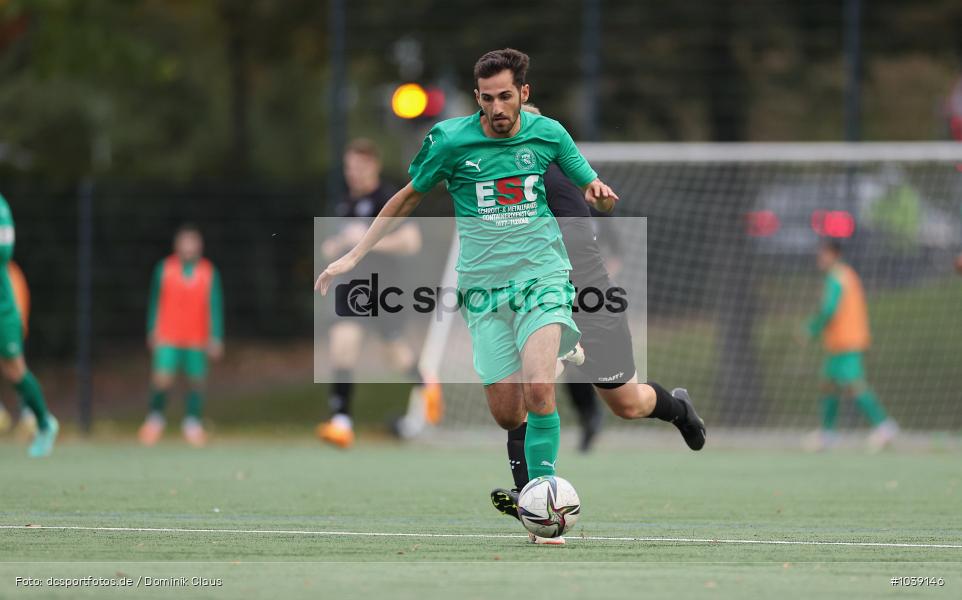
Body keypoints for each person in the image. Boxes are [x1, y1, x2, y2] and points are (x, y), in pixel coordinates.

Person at [318, 48, 658, 544]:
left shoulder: (549, 134)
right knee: (506, 410)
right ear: (476, 98)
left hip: (542, 275)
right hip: (482, 291)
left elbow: (588, 185)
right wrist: (354, 255)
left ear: (523, 93)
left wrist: (599, 195)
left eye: (505, 96)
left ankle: (543, 507)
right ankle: (566, 354)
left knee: (540, 390)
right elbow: (406, 197)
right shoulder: (451, 141)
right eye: (487, 98)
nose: (497, 108)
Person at [490, 104, 706, 529]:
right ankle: (530, 493)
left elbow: (573, 232)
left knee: (627, 403)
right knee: (533, 385)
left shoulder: (554, 170)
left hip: (589, 295)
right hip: (541, 296)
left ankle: (679, 408)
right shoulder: (496, 178)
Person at [315, 138, 437, 449]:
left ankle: (427, 387)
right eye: (349, 167)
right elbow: (348, 239)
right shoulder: (346, 203)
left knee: (394, 354)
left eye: (359, 167)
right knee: (343, 345)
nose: (353, 173)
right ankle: (341, 422)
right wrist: (339, 245)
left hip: (384, 289)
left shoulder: (387, 197)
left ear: (373, 166)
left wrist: (365, 243)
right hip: (354, 290)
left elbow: (412, 242)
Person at [802, 239, 897, 452]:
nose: (819, 258)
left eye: (823, 254)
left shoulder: (837, 278)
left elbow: (829, 310)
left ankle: (884, 426)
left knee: (855, 385)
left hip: (847, 341)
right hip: (841, 342)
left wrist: (811, 329)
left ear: (834, 254)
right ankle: (828, 434)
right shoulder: (846, 275)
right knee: (828, 383)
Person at [138, 224, 224, 447]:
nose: (188, 247)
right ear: (177, 245)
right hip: (168, 334)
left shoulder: (208, 271)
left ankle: (192, 423)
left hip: (197, 337)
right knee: (162, 379)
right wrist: (152, 329)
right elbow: (155, 301)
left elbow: (214, 305)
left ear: (199, 246)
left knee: (196, 382)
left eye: (192, 242)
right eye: (184, 242)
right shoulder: (164, 268)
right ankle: (155, 420)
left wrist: (216, 336)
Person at [0, 193, 58, 457]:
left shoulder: (0, 208)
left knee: (14, 370)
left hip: (3, 309)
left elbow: (4, 251)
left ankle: (45, 423)